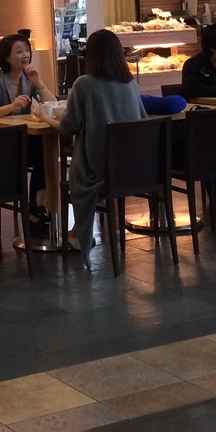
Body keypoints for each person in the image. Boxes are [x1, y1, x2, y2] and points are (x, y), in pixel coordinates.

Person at [46, 28, 145, 270]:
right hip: (134, 169)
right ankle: (76, 233)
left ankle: (76, 234)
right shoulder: (131, 85)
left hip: (98, 169)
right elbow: (142, 121)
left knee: (78, 164)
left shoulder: (84, 85)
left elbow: (68, 128)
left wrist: (43, 117)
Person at [0, 33, 57, 234]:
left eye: (27, 51)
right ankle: (37, 207)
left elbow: (53, 104)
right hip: (3, 144)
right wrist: (11, 106)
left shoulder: (28, 79)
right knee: (43, 153)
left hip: (26, 141)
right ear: (7, 57)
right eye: (19, 51)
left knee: (45, 151)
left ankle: (37, 206)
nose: (25, 55)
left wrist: (39, 83)